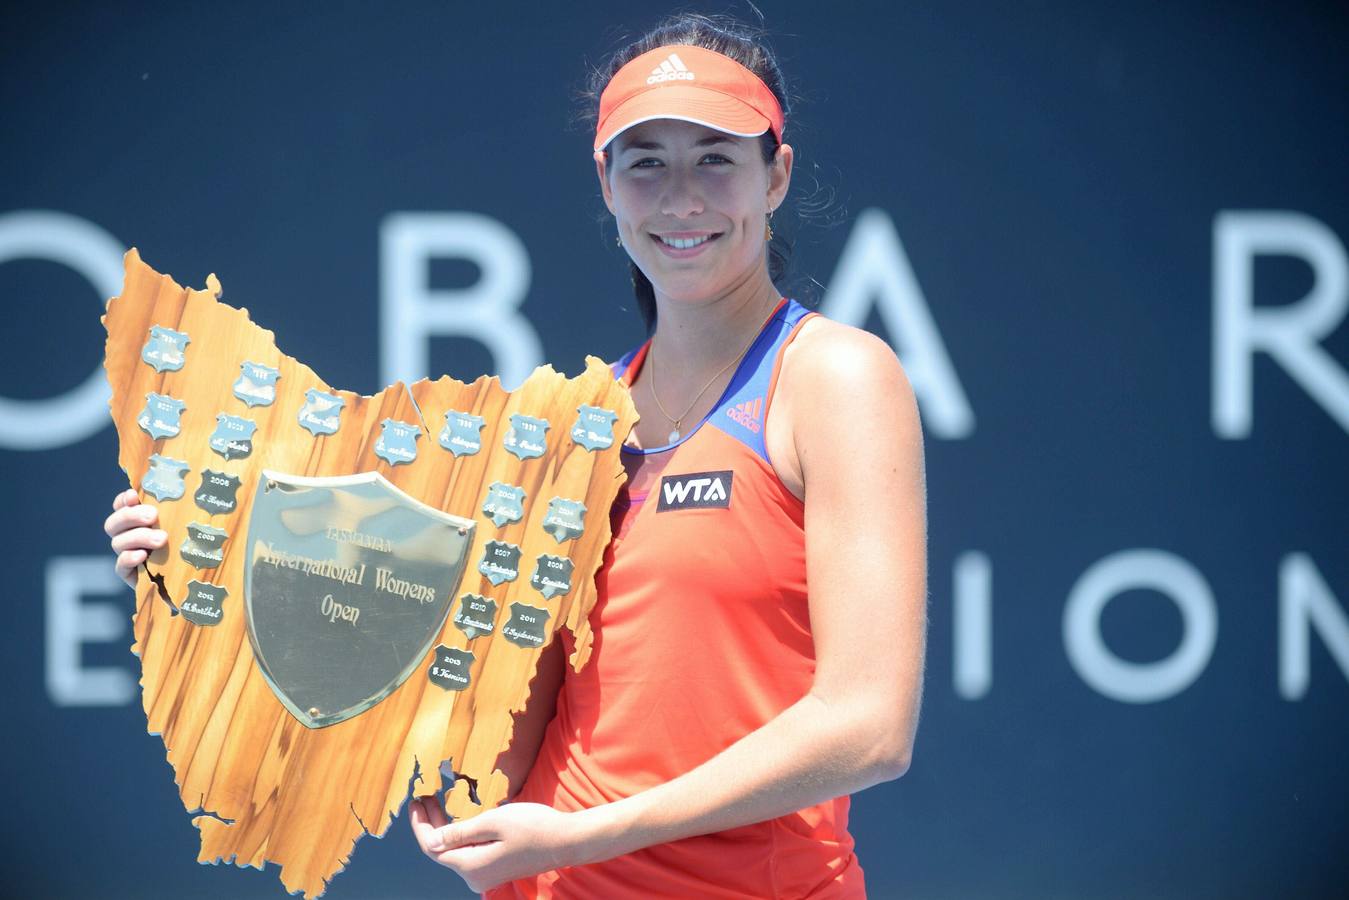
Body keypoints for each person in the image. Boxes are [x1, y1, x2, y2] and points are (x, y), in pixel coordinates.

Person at [104, 13, 927, 898]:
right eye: (645, 161)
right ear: (606, 185)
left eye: (716, 157)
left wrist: (581, 834)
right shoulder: (572, 426)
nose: (681, 196)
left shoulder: (834, 376)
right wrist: (210, 572)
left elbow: (867, 727)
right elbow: (476, 706)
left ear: (776, 176)